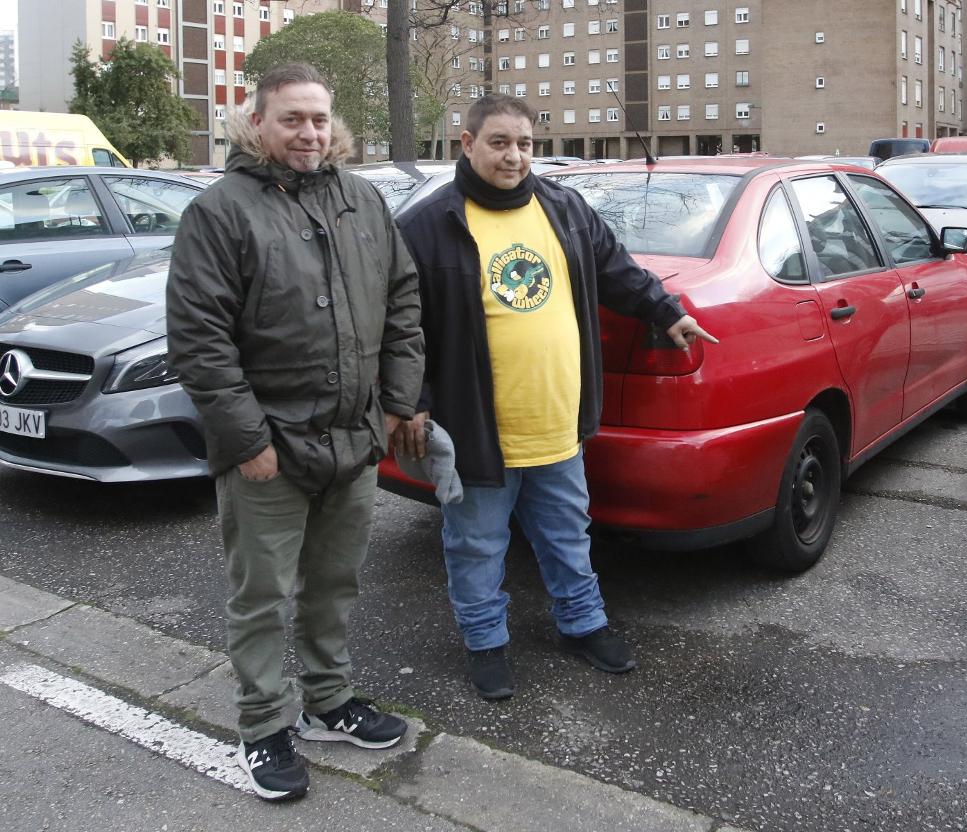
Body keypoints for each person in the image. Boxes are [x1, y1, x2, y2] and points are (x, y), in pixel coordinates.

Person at [396, 93, 716, 701]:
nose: (514, 156)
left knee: (568, 532)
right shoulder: (426, 226)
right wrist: (413, 398)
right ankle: (486, 643)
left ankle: (582, 623)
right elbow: (401, 327)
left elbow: (617, 269)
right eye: (498, 142)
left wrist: (665, 311)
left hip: (556, 420)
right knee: (476, 544)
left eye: (524, 144)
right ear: (467, 144)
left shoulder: (564, 208)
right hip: (475, 429)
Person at [166, 63, 424, 802]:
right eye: (291, 119)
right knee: (261, 596)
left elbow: (403, 301)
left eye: (318, 119)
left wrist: (400, 402)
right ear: (258, 123)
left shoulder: (363, 199)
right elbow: (199, 340)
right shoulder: (220, 212)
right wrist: (247, 441)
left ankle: (327, 702)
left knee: (334, 586)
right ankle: (262, 727)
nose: (308, 133)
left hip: (353, 438)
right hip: (268, 449)